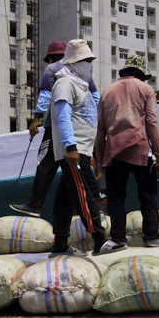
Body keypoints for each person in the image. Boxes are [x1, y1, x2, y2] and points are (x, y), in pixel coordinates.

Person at [9, 41, 98, 217]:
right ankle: (78, 208)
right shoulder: (85, 72)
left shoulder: (53, 69)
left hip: (56, 126)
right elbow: (95, 98)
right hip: (81, 128)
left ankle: (35, 204)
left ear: (50, 57)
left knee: (45, 163)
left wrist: (36, 120)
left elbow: (45, 95)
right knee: (72, 169)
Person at [94, 53, 159, 253]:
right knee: (148, 195)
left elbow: (100, 128)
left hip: (114, 153)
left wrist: (100, 158)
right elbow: (151, 122)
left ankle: (118, 238)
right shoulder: (145, 89)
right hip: (140, 150)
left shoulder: (107, 92)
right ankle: (151, 236)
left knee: (116, 198)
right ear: (141, 74)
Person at [47, 38, 107, 255]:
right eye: (86, 60)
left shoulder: (80, 85)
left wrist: (89, 152)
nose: (89, 63)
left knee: (64, 198)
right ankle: (100, 239)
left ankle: (61, 243)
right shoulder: (64, 84)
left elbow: (85, 120)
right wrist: (71, 147)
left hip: (82, 150)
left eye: (90, 60)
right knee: (87, 193)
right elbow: (63, 117)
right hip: (73, 151)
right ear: (74, 62)